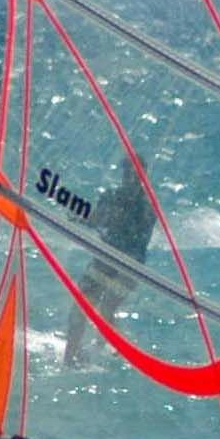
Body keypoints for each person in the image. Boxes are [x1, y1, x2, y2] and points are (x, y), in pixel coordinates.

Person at [64, 155, 157, 365]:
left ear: (144, 176)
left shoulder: (147, 205)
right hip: (103, 260)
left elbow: (140, 234)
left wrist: (118, 219)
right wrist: (77, 217)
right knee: (79, 309)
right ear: (122, 174)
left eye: (136, 174)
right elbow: (95, 220)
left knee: (106, 309)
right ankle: (69, 360)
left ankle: (116, 350)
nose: (130, 178)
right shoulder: (111, 196)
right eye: (127, 173)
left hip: (130, 266)